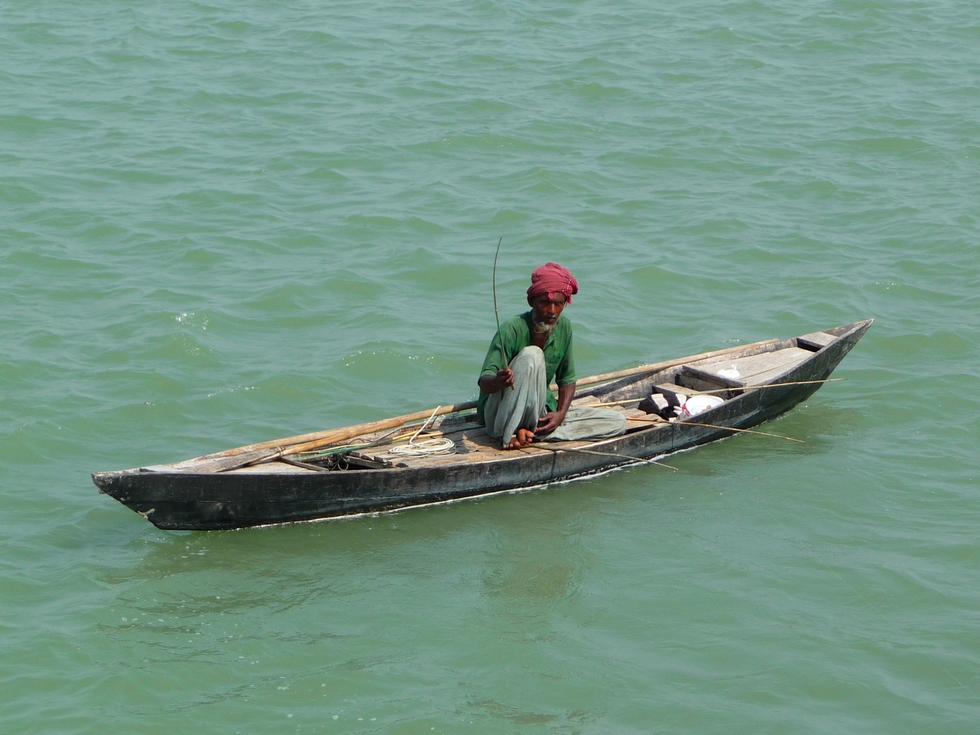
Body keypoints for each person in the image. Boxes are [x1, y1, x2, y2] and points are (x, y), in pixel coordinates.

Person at [476, 262, 627, 449]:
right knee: (533, 354)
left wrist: (560, 414)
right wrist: (499, 381)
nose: (552, 311)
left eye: (558, 303)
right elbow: (484, 382)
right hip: (501, 416)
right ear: (532, 302)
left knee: (618, 422)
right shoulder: (511, 329)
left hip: (538, 410)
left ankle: (534, 433)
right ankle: (511, 434)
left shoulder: (564, 327)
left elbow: (567, 379)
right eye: (545, 303)